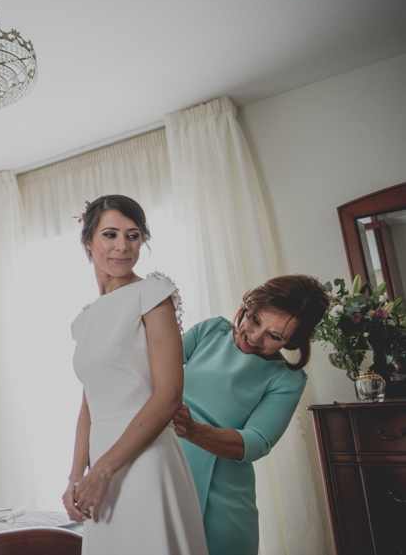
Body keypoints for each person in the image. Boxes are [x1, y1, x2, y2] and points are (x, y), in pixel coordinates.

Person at [62, 195, 207, 554]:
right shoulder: (84, 320)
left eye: (133, 235)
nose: (123, 247)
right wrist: (77, 475)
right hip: (101, 466)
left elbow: (168, 396)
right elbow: (89, 407)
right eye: (110, 234)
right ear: (88, 241)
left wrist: (103, 471)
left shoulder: (152, 295)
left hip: (146, 458)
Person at [172, 275, 330, 555]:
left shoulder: (287, 380)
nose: (255, 337)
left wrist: (192, 430)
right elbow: (153, 371)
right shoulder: (209, 332)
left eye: (275, 336)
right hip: (165, 469)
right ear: (247, 308)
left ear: (293, 342)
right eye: (255, 320)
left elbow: (256, 442)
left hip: (222, 499)